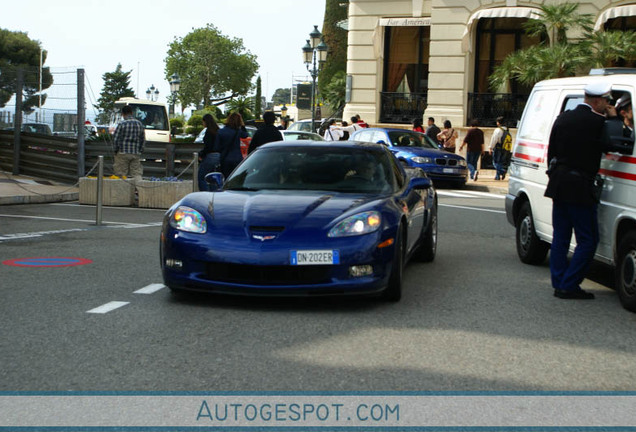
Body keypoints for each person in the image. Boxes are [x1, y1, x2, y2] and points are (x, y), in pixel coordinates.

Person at [544, 82, 616, 300]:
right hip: (580, 186)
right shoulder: (597, 122)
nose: (608, 104)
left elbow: (552, 150)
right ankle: (569, 284)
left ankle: (559, 282)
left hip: (559, 183)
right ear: (596, 101)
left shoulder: (563, 117)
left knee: (561, 237)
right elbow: (611, 145)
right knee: (587, 239)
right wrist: (613, 119)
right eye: (606, 101)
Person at [112, 105, 145, 181]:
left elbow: (116, 139)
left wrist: (116, 150)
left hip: (123, 152)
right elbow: (142, 139)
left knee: (121, 173)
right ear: (132, 113)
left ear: (122, 114)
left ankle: (123, 191)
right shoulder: (139, 124)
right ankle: (138, 189)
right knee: (136, 173)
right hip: (135, 153)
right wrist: (140, 150)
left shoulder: (122, 124)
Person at [216, 112, 248, 178]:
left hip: (225, 158)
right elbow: (245, 135)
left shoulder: (221, 131)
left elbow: (217, 147)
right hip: (237, 158)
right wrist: (242, 125)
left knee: (226, 178)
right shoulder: (238, 132)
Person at [197, 113, 220, 191]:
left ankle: (204, 194)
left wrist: (201, 155)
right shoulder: (217, 130)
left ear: (206, 121)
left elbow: (208, 147)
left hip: (210, 156)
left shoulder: (208, 132)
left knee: (201, 177)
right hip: (218, 156)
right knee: (212, 177)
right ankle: (214, 194)